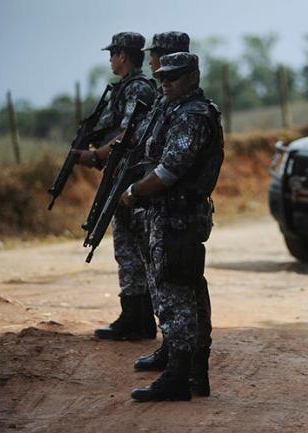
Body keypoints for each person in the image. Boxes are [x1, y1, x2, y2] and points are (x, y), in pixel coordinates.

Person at [119, 52, 223, 402]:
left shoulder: (193, 115)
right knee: (186, 289)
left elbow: (169, 171)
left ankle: (179, 377)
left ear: (194, 76)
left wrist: (134, 192)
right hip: (172, 216)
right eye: (162, 77)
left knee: (176, 293)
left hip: (178, 220)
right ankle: (193, 373)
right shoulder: (173, 108)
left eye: (174, 78)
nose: (165, 84)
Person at [75, 32, 157, 340]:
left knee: (131, 248)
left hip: (131, 179)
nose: (110, 59)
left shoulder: (137, 88)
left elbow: (129, 135)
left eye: (113, 54)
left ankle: (137, 319)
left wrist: (96, 154)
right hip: (124, 176)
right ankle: (135, 317)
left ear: (123, 55)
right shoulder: (125, 88)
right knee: (129, 248)